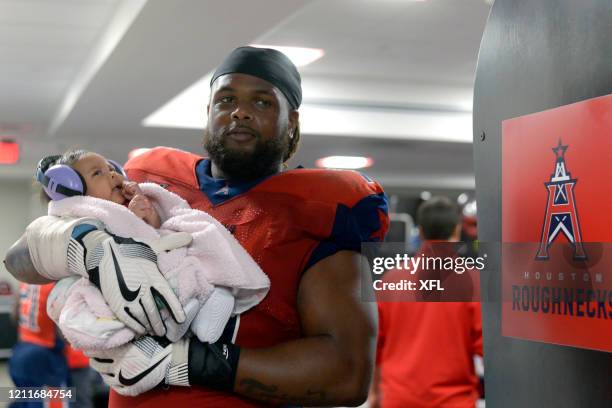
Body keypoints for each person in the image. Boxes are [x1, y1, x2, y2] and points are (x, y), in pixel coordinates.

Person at [3, 46, 389, 407]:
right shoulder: (146, 181)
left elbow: (347, 373)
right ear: (208, 111)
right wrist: (81, 242)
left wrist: (183, 362)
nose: (240, 111)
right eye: (226, 99)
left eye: (262, 101)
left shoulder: (319, 209)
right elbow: (19, 261)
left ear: (292, 123)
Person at [36, 150, 269, 355]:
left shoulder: (131, 202)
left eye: (110, 169)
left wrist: (148, 214)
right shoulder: (83, 216)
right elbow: (113, 243)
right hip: (113, 287)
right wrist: (131, 221)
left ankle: (198, 305)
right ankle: (167, 322)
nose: (112, 175)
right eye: (98, 174)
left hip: (157, 268)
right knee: (80, 307)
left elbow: (156, 233)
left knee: (186, 262)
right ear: (74, 189)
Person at [370, 196, 483, 408]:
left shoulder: (391, 280)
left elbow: (375, 343)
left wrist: (376, 393)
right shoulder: (473, 282)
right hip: (454, 401)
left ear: (420, 231)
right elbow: (488, 348)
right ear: (457, 230)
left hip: (398, 399)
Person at [9, 282, 69, 408]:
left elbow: (14, 316)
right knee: (53, 403)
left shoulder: (25, 281)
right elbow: (65, 330)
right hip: (44, 356)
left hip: (21, 351)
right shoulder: (58, 286)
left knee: (24, 400)